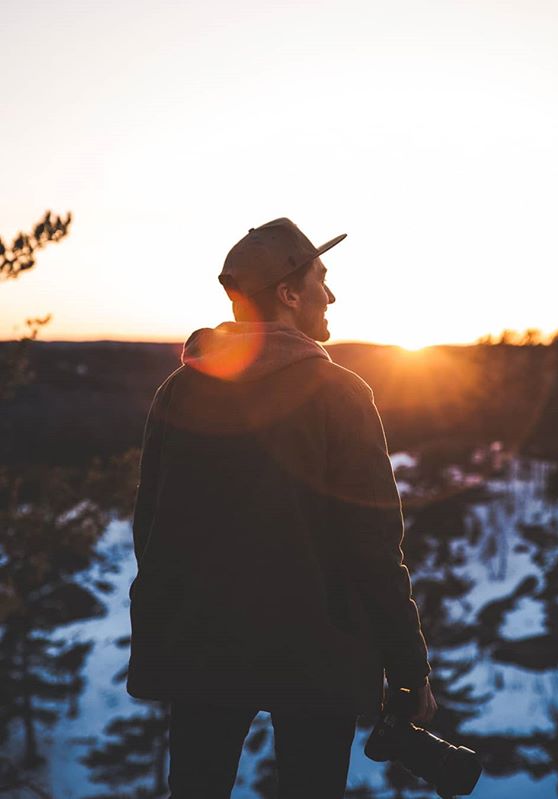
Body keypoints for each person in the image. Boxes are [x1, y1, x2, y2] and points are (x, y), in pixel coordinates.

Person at [127, 217, 437, 799]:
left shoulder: (179, 389)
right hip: (316, 657)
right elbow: (373, 546)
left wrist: (173, 623)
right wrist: (408, 667)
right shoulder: (340, 395)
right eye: (322, 278)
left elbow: (151, 528)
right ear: (290, 294)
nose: (332, 293)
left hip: (201, 650)